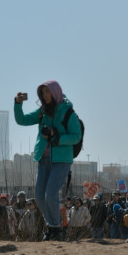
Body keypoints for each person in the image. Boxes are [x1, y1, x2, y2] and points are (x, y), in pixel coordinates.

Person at [14, 81, 82, 241]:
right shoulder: (42, 112)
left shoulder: (67, 112)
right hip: (43, 160)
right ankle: (52, 226)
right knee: (39, 197)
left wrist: (57, 137)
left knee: (50, 194)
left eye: (47, 92)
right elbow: (22, 120)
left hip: (61, 160)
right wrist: (17, 104)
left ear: (55, 92)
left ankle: (56, 228)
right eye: (42, 93)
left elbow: (76, 136)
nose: (45, 96)